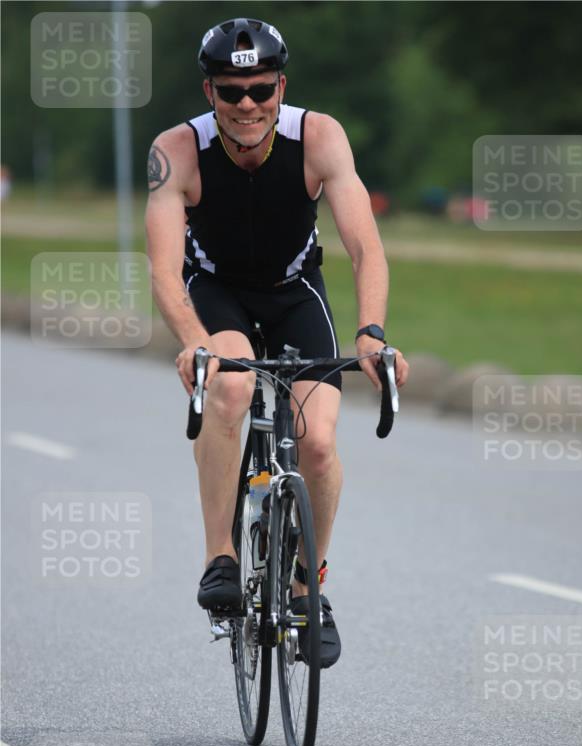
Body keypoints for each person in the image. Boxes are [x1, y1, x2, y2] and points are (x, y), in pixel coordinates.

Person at [145, 17, 409, 668]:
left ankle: (306, 589)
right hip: (216, 292)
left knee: (317, 443)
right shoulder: (176, 150)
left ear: (280, 87)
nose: (247, 105)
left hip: (295, 292)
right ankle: (220, 558)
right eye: (231, 91)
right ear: (210, 93)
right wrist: (192, 341)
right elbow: (162, 267)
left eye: (260, 89)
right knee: (230, 384)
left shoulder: (318, 137)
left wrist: (372, 333)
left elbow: (364, 247)